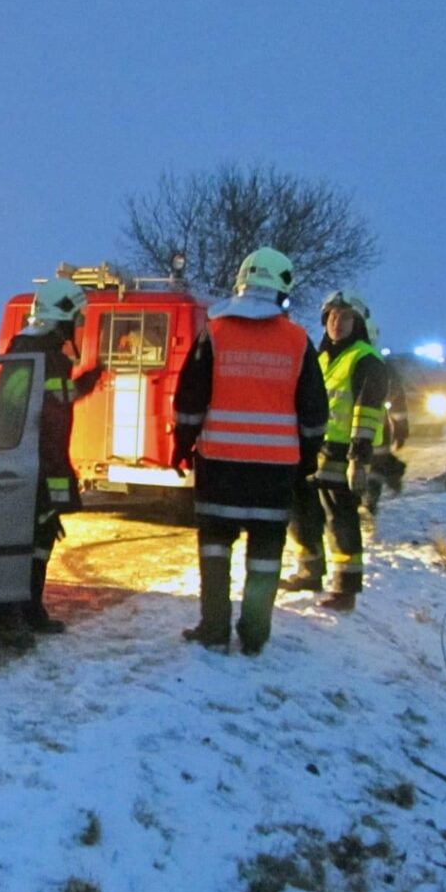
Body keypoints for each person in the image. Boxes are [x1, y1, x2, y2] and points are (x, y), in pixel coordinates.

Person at [172, 247, 328, 654]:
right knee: (265, 556)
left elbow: (189, 399)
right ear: (283, 289)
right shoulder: (298, 341)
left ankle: (214, 628)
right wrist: (308, 455)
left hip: (219, 467)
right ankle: (255, 634)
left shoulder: (215, 333)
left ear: (241, 282)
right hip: (275, 472)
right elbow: (314, 411)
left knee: (214, 549)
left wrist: (182, 444)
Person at [0, 275, 102, 648]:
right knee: (22, 540)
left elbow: (57, 399)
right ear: (62, 316)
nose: (78, 326)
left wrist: (87, 382)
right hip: (32, 462)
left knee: (41, 537)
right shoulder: (31, 353)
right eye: (76, 318)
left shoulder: (46, 354)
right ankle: (7, 617)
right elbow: (16, 408)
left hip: (43, 461)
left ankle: (30, 609)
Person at [282, 289, 388, 611]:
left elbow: (367, 413)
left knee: (340, 518)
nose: (336, 322)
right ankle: (309, 571)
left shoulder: (366, 359)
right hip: (314, 449)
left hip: (344, 453)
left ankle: (345, 588)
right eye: (331, 316)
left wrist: (359, 458)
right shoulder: (322, 357)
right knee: (303, 512)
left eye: (344, 317)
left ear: (358, 324)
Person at [362, 353, 410, 516]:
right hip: (376, 427)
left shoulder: (338, 359)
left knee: (376, 464)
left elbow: (397, 401)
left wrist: (401, 429)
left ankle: (371, 498)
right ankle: (388, 478)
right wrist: (401, 430)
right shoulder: (382, 365)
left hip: (372, 427)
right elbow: (398, 401)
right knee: (377, 463)